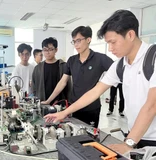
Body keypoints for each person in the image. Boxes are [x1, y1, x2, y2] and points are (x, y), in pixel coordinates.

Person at [44, 9, 156, 154]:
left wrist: (129, 142)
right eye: (107, 43)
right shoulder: (120, 65)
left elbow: (152, 106)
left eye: (113, 42)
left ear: (130, 35)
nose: (110, 48)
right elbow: (95, 91)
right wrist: (64, 112)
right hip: (135, 135)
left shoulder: (153, 59)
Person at [42, 26, 113, 128]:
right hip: (74, 107)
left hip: (92, 108)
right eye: (74, 41)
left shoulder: (100, 59)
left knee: (89, 137)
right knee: (73, 134)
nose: (76, 44)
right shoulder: (72, 60)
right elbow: (62, 82)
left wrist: (102, 83)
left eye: (79, 41)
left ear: (88, 40)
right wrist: (48, 101)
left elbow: (116, 71)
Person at [32, 37, 71, 105]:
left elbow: (69, 87)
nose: (47, 52)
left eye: (50, 49)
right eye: (45, 50)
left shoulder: (63, 66)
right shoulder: (38, 68)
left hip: (60, 104)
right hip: (43, 103)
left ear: (56, 50)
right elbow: (34, 87)